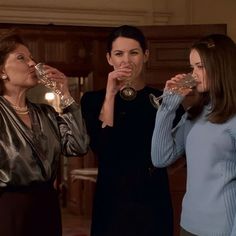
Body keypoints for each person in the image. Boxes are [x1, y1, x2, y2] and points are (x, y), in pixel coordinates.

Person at [81, 25, 183, 236]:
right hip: (111, 198)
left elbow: (180, 150)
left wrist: (158, 169)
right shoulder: (92, 100)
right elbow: (101, 146)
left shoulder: (164, 99)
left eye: (133, 52)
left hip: (153, 198)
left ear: (145, 55)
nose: (126, 60)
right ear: (109, 58)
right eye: (119, 54)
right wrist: (110, 94)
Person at [0, 30, 89, 236]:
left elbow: (78, 145)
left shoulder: (46, 113)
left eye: (32, 57)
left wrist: (65, 94)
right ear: (2, 71)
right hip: (9, 211)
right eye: (21, 58)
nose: (32, 63)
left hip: (47, 208)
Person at [151, 33, 236, 236]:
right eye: (192, 68)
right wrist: (167, 107)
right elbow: (160, 158)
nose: (193, 75)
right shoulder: (195, 113)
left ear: (221, 66)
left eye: (200, 66)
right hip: (188, 224)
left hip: (222, 228)